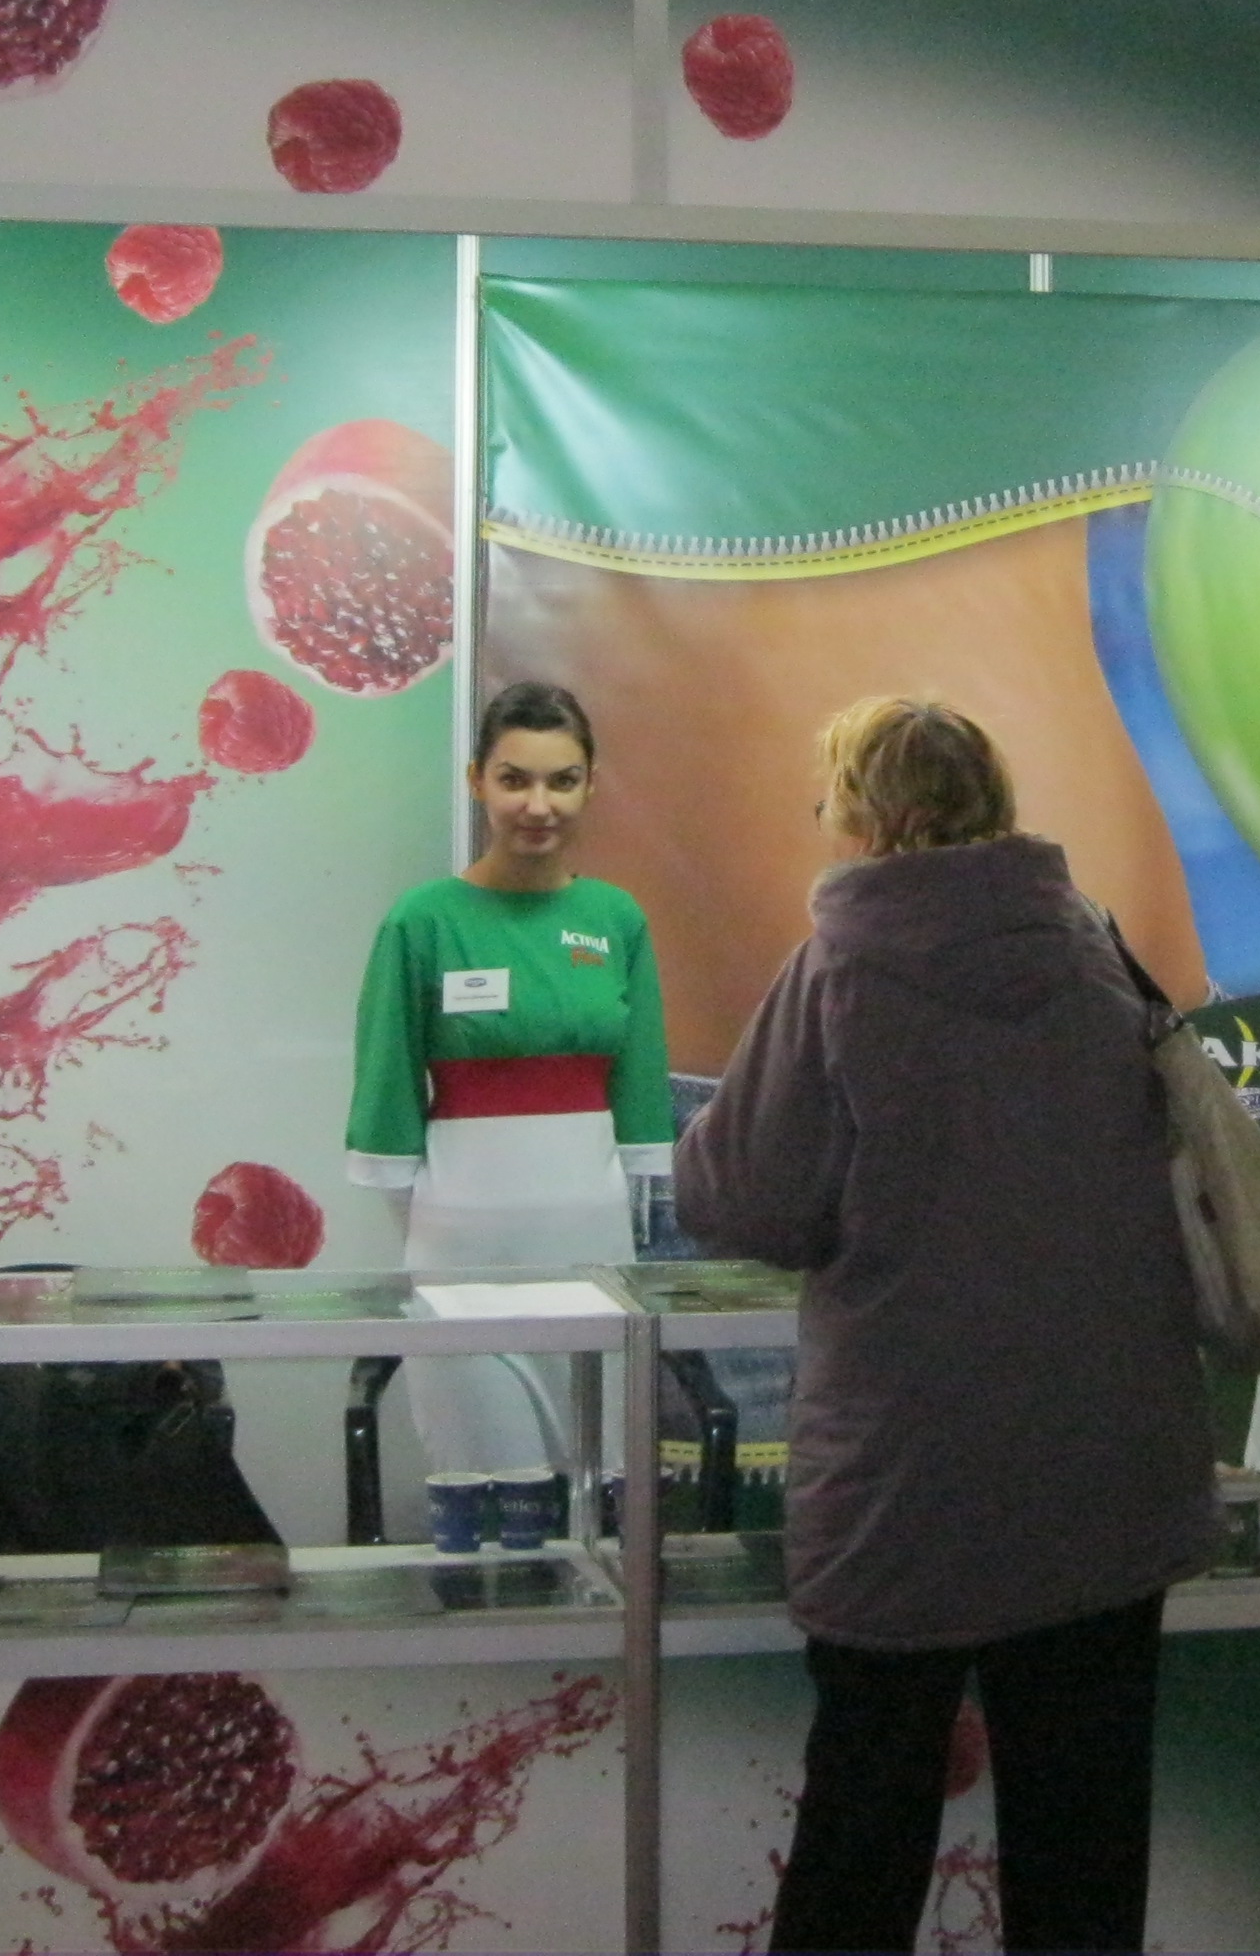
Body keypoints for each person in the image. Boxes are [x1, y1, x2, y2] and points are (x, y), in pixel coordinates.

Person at [678, 697, 1213, 1956]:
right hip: (1102, 1461)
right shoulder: (1097, 954)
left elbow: (744, 1199)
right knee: (1084, 1846)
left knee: (861, 1834)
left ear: (866, 814)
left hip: (908, 1470)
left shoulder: (839, 970)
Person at [348, 682, 675, 1477]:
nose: (538, 805)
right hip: (460, 1249)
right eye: (514, 779)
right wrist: (425, 1226)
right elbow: (387, 1095)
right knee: (486, 1481)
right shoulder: (421, 922)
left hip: (594, 1247)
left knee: (600, 1482)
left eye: (562, 781)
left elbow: (640, 1095)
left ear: (590, 786)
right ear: (477, 781)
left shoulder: (617, 920)